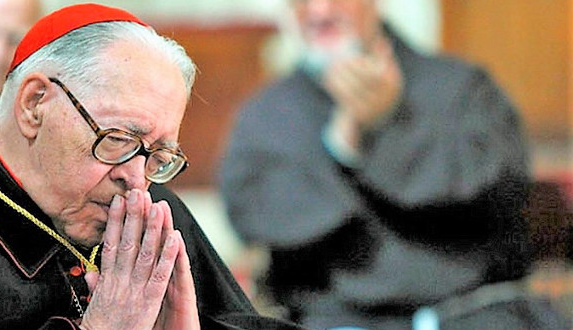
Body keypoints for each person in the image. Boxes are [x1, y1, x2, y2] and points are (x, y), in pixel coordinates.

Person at [0, 4, 306, 330]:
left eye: (159, 156)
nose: (137, 179)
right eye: (119, 140)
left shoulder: (147, 207)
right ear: (35, 104)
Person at [219, 0, 546, 329]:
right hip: (334, 318)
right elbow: (252, 214)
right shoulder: (267, 113)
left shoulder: (462, 88)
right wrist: (342, 148)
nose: (320, 11)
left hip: (468, 312)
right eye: (301, 1)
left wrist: (389, 126)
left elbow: (497, 186)